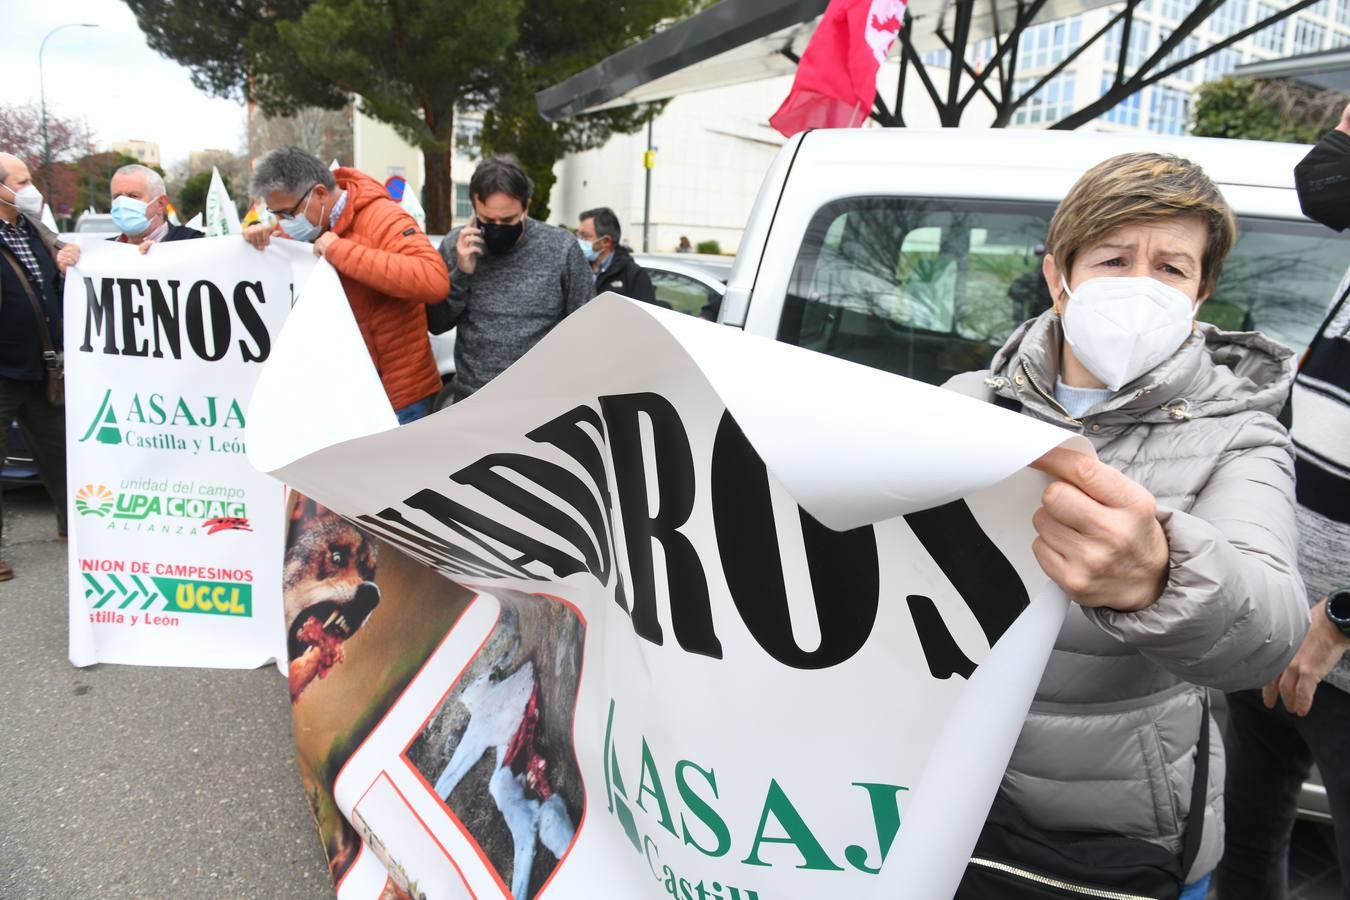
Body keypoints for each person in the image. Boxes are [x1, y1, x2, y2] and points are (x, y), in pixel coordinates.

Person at [946, 152, 1307, 898]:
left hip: (1112, 834)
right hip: (942, 798)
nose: (1141, 285)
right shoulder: (963, 404)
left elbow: (1270, 629)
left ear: (1201, 293)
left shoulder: (1241, 437)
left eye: (1171, 268)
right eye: (1114, 258)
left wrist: (1161, 576)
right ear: (1059, 276)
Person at [1216, 103, 1350, 900]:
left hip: (1332, 639)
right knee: (1241, 851)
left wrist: (1336, 621)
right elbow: (1326, 182)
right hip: (1274, 614)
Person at [243, 147, 447, 424]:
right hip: (339, 395)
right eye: (275, 215)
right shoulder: (305, 229)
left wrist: (342, 252)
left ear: (320, 194)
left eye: (288, 214)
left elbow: (433, 279)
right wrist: (267, 240)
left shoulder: (384, 217)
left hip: (397, 399)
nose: (284, 223)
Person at [432, 155, 592, 404]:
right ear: (474, 208)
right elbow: (437, 323)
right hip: (473, 401)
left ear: (526, 206)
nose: (498, 227)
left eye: (508, 220)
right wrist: (462, 273)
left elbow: (586, 327)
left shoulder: (561, 248)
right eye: (487, 221)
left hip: (542, 404)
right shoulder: (457, 245)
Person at [0, 152, 80, 581]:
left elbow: (53, 273)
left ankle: (75, 528)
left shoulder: (30, 229)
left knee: (59, 453)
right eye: (22, 180)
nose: (31, 189)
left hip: (41, 367)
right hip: (3, 371)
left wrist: (66, 261)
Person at [108, 164, 202, 253]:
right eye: (117, 197)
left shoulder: (194, 243)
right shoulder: (105, 250)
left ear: (160, 203)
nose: (123, 203)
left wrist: (159, 255)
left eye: (133, 196)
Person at [577, 207, 658, 304]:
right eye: (578, 235)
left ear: (605, 241)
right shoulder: (575, 269)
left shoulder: (634, 276)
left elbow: (643, 316)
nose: (578, 241)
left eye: (585, 236)